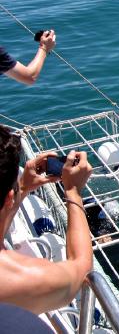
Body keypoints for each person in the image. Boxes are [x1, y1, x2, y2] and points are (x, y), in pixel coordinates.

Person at [0, 124, 93, 315]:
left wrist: (24, 186)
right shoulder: (18, 278)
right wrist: (73, 192)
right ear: (9, 197)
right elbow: (81, 270)